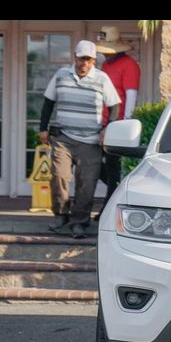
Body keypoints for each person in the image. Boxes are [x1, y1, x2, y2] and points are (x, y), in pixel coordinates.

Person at [39, 40, 120, 239]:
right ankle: (61, 215)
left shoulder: (102, 78)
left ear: (94, 60)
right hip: (63, 138)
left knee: (87, 183)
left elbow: (114, 106)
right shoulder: (61, 75)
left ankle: (79, 222)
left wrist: (106, 130)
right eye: (81, 58)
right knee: (59, 176)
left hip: (90, 141)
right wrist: (43, 128)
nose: (84, 63)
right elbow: (48, 102)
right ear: (74, 56)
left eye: (88, 59)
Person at [95, 26, 141, 220]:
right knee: (97, 166)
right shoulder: (106, 66)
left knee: (113, 169)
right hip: (103, 123)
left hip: (118, 124)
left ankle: (108, 209)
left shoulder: (129, 65)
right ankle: (111, 201)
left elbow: (131, 95)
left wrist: (126, 125)